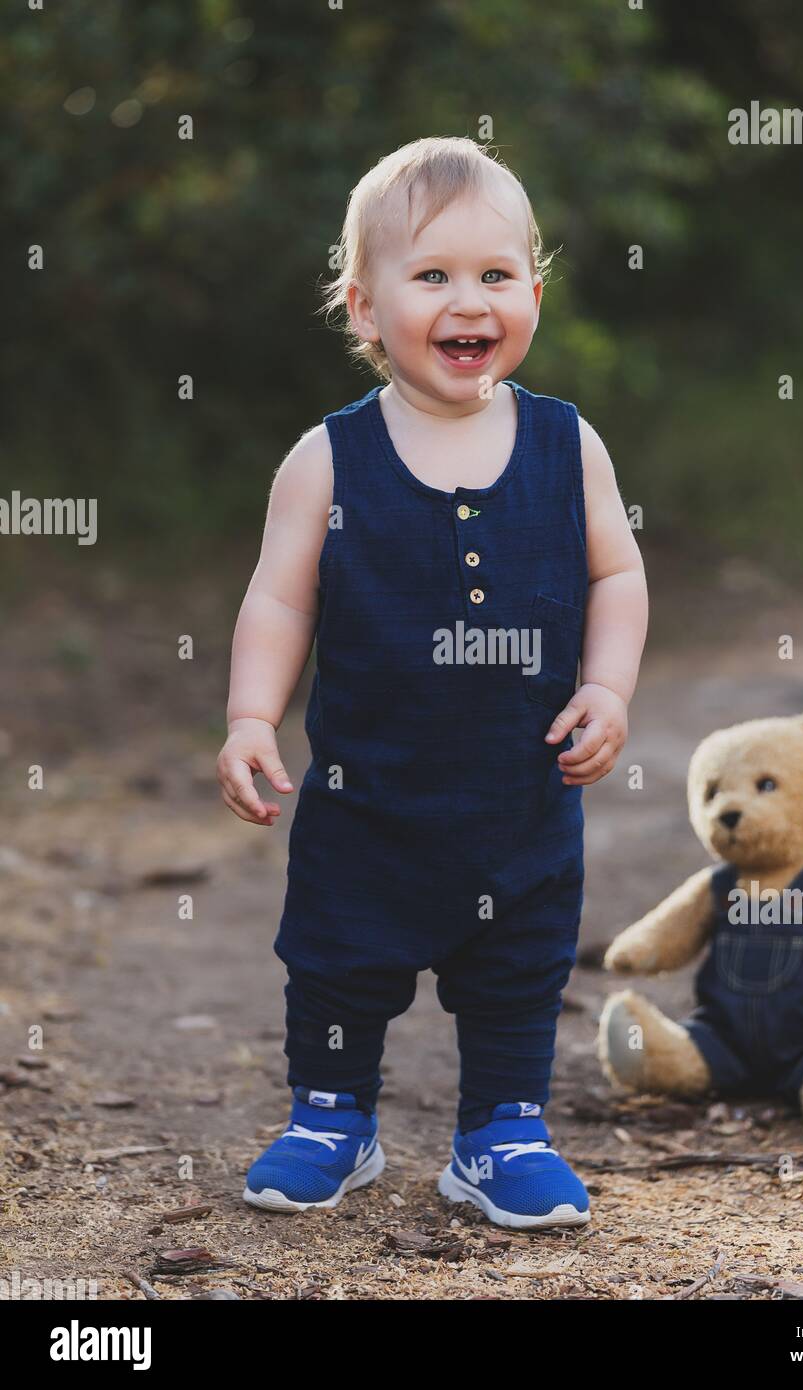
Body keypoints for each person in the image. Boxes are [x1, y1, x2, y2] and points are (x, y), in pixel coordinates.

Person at [217, 136, 648, 1229]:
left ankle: (501, 1132)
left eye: (497, 276)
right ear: (365, 309)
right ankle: (331, 1117)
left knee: (518, 968)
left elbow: (618, 569)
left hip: (520, 796)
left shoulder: (566, 445)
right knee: (336, 958)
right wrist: (252, 713)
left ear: (535, 295)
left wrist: (607, 685)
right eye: (434, 276)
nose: (471, 301)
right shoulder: (329, 459)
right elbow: (280, 600)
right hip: (370, 799)